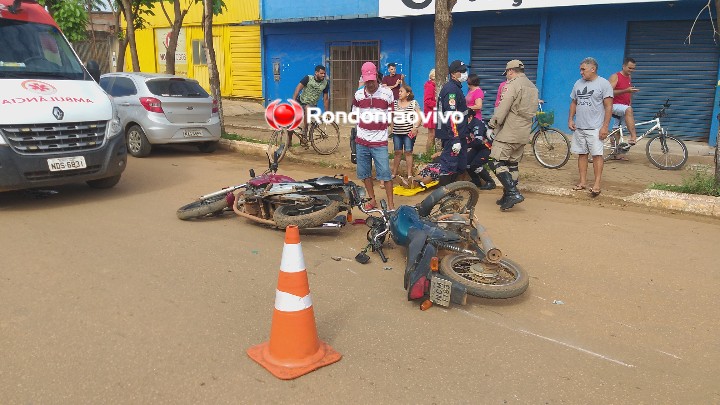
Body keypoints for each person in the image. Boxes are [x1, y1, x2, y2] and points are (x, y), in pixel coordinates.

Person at [487, 59, 539, 211]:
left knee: (494, 160)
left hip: (509, 131)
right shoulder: (533, 87)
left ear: (511, 71)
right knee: (512, 164)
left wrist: (492, 125)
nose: (507, 77)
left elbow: (503, 108)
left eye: (507, 73)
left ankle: (512, 192)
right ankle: (506, 196)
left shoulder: (513, 85)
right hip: (523, 132)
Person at [568, 57, 614, 198]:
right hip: (580, 127)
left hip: (595, 128)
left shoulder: (604, 84)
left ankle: (597, 184)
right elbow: (574, 102)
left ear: (592, 69)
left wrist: (605, 126)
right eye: (580, 69)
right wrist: (570, 119)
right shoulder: (578, 83)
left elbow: (608, 106)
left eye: (583, 69)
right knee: (582, 154)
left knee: (597, 155)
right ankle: (582, 182)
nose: (581, 72)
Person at [352, 61, 395, 210]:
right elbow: (354, 115)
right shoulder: (358, 94)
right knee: (364, 174)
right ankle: (372, 200)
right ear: (363, 78)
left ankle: (391, 205)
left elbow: (391, 116)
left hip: (380, 142)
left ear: (376, 76)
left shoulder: (387, 93)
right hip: (362, 141)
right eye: (366, 80)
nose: (369, 83)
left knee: (385, 175)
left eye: (372, 80)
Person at [435, 59, 470, 186]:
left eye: (465, 70)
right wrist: (455, 139)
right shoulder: (451, 90)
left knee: (460, 165)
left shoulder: (456, 88)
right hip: (452, 135)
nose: (465, 73)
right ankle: (444, 194)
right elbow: (451, 115)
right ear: (453, 74)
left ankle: (451, 191)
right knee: (449, 165)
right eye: (462, 71)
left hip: (459, 134)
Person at [389, 84, 422, 183]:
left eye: (401, 91)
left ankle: (409, 175)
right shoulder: (394, 103)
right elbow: (391, 117)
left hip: (408, 133)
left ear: (408, 93)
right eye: (398, 92)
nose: (399, 93)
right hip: (397, 133)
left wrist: (415, 127)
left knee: (408, 152)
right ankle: (394, 173)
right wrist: (392, 128)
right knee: (397, 152)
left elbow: (419, 117)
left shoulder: (413, 103)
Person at [609, 57, 639, 156]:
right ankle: (633, 136)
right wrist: (626, 90)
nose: (631, 70)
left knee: (618, 129)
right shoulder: (615, 76)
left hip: (623, 107)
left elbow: (628, 93)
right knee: (628, 110)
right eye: (629, 68)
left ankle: (615, 152)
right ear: (624, 66)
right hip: (612, 105)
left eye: (633, 68)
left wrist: (629, 102)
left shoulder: (629, 77)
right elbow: (608, 93)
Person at [292, 65, 330, 145]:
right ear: (316, 73)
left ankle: (304, 131)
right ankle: (288, 143)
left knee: (308, 108)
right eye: (321, 73)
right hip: (300, 102)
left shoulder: (325, 84)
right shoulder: (308, 78)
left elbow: (325, 99)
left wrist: (327, 112)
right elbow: (297, 89)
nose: (323, 75)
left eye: (324, 73)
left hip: (312, 106)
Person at [466, 109, 496, 190]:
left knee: (475, 164)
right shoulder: (466, 124)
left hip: (487, 147)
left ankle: (490, 182)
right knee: (466, 163)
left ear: (470, 117)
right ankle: (476, 182)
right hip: (477, 147)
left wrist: (465, 146)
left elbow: (478, 141)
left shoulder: (477, 125)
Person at [423, 68, 437, 154]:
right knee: (431, 135)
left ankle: (431, 153)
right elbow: (427, 100)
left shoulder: (433, 85)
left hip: (433, 113)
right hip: (431, 113)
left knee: (433, 135)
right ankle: (428, 154)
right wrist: (437, 104)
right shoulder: (430, 86)